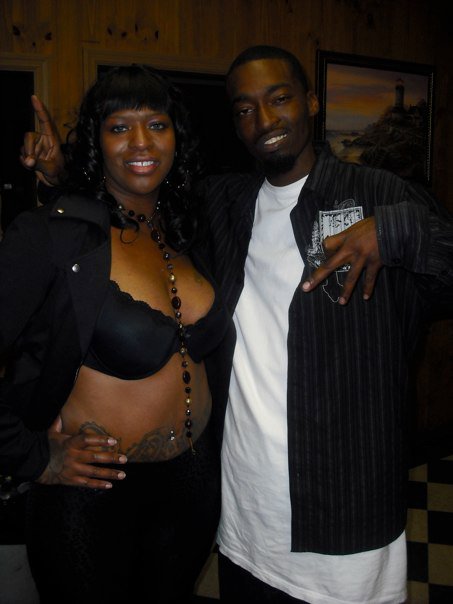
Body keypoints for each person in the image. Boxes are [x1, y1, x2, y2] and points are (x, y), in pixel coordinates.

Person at [20, 47, 453, 604]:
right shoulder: (224, 203)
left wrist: (394, 231)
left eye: (280, 99)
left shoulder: (379, 195)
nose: (264, 120)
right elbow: (133, 198)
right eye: (245, 109)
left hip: (343, 515)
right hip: (243, 517)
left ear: (311, 102)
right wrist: (62, 179)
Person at [2, 63, 233, 603]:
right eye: (119, 127)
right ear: (97, 141)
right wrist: (34, 456)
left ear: (177, 136)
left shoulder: (190, 229)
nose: (140, 142)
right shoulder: (51, 235)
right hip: (91, 496)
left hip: (194, 489)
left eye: (156, 124)